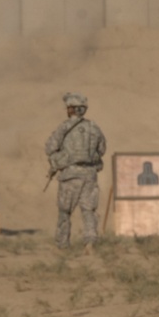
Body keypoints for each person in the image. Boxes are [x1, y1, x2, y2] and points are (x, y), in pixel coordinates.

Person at [45, 92, 107, 252]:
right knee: (89, 211)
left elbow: (50, 147)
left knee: (65, 212)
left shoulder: (64, 127)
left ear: (71, 109)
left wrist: (59, 161)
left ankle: (62, 245)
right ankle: (90, 242)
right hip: (90, 175)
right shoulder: (94, 128)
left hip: (70, 176)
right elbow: (102, 149)